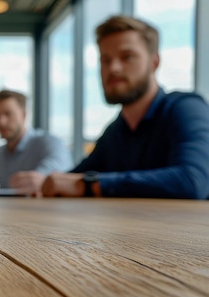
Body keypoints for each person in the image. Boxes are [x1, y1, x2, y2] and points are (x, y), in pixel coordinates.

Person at [42, 15, 209, 199]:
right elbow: (73, 178)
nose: (113, 68)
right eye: (105, 60)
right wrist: (45, 182)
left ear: (154, 63)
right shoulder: (115, 131)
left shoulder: (185, 108)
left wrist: (91, 185)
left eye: (127, 57)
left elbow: (194, 181)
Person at [0, 89, 72, 194]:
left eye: (8, 114)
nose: (1, 122)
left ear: (24, 115)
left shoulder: (50, 144)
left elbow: (54, 181)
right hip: (9, 209)